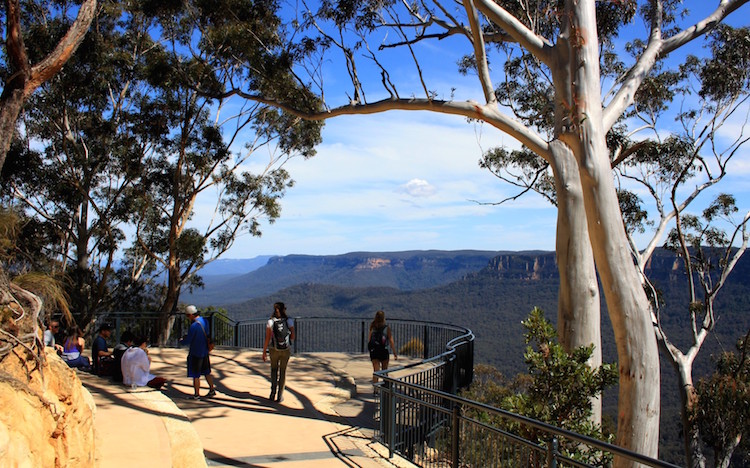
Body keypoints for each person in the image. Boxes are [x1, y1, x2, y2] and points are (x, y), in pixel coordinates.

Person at [179, 305, 216, 400]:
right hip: (205, 351)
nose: (188, 318)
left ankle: (196, 394)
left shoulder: (194, 326)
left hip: (196, 352)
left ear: (191, 315)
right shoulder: (205, 321)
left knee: (196, 375)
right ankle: (212, 390)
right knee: (207, 372)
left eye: (188, 316)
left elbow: (189, 340)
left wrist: (181, 341)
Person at [262, 302, 295, 403]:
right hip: (286, 350)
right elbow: (293, 335)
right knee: (283, 371)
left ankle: (272, 393)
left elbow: (267, 338)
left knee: (273, 370)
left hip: (273, 349)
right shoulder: (289, 321)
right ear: (284, 309)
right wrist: (289, 344)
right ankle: (280, 395)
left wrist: (264, 351)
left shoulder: (270, 322)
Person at [368, 310, 398, 385]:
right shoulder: (386, 328)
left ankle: (375, 390)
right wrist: (394, 353)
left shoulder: (372, 327)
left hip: (374, 351)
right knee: (385, 371)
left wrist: (370, 349)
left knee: (376, 372)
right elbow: (391, 341)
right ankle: (385, 389)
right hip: (383, 351)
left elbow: (369, 339)